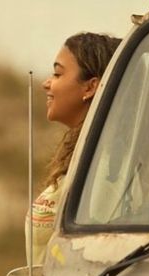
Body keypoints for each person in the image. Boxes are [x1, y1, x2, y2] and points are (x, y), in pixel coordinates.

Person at [28, 32, 121, 264]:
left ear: (90, 88)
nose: (46, 83)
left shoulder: (107, 167)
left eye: (58, 74)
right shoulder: (82, 154)